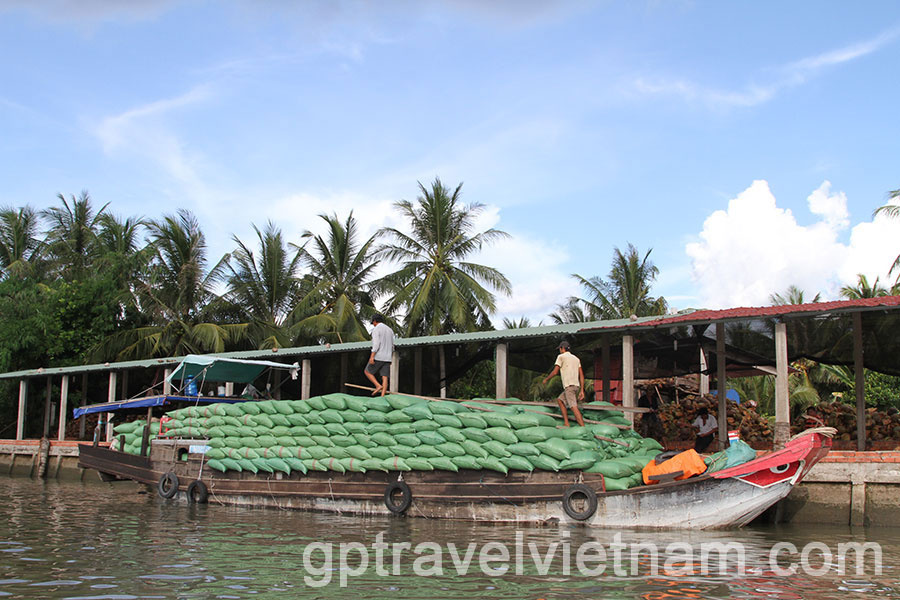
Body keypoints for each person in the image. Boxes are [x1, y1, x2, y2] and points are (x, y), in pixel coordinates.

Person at [542, 341, 585, 427]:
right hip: (575, 386)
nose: (559, 351)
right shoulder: (576, 359)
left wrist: (546, 379)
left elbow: (555, 372)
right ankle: (566, 423)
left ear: (562, 348)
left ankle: (583, 427)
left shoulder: (561, 357)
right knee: (560, 400)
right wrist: (582, 390)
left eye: (560, 349)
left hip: (569, 386)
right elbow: (582, 375)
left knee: (573, 407)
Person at [364, 313, 394, 396]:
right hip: (387, 357)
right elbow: (392, 345)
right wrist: (390, 357)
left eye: (373, 323)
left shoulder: (376, 329)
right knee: (385, 377)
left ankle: (377, 386)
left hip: (379, 356)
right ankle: (382, 397)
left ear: (374, 321)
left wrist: (372, 356)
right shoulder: (390, 330)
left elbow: (376, 344)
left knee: (367, 371)